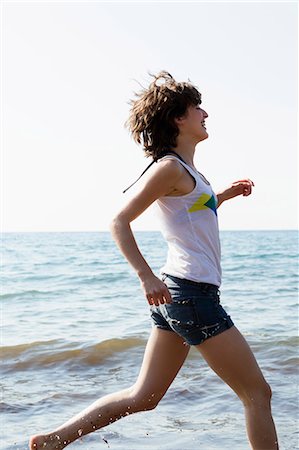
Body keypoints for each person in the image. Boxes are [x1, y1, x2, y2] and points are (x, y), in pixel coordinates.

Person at [29, 71, 279, 450]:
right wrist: (145, 276)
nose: (205, 113)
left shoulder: (187, 171)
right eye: (197, 108)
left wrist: (222, 196)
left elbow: (187, 212)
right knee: (258, 394)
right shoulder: (170, 168)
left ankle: (53, 440)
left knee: (144, 397)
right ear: (179, 118)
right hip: (191, 296)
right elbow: (119, 220)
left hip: (179, 295)